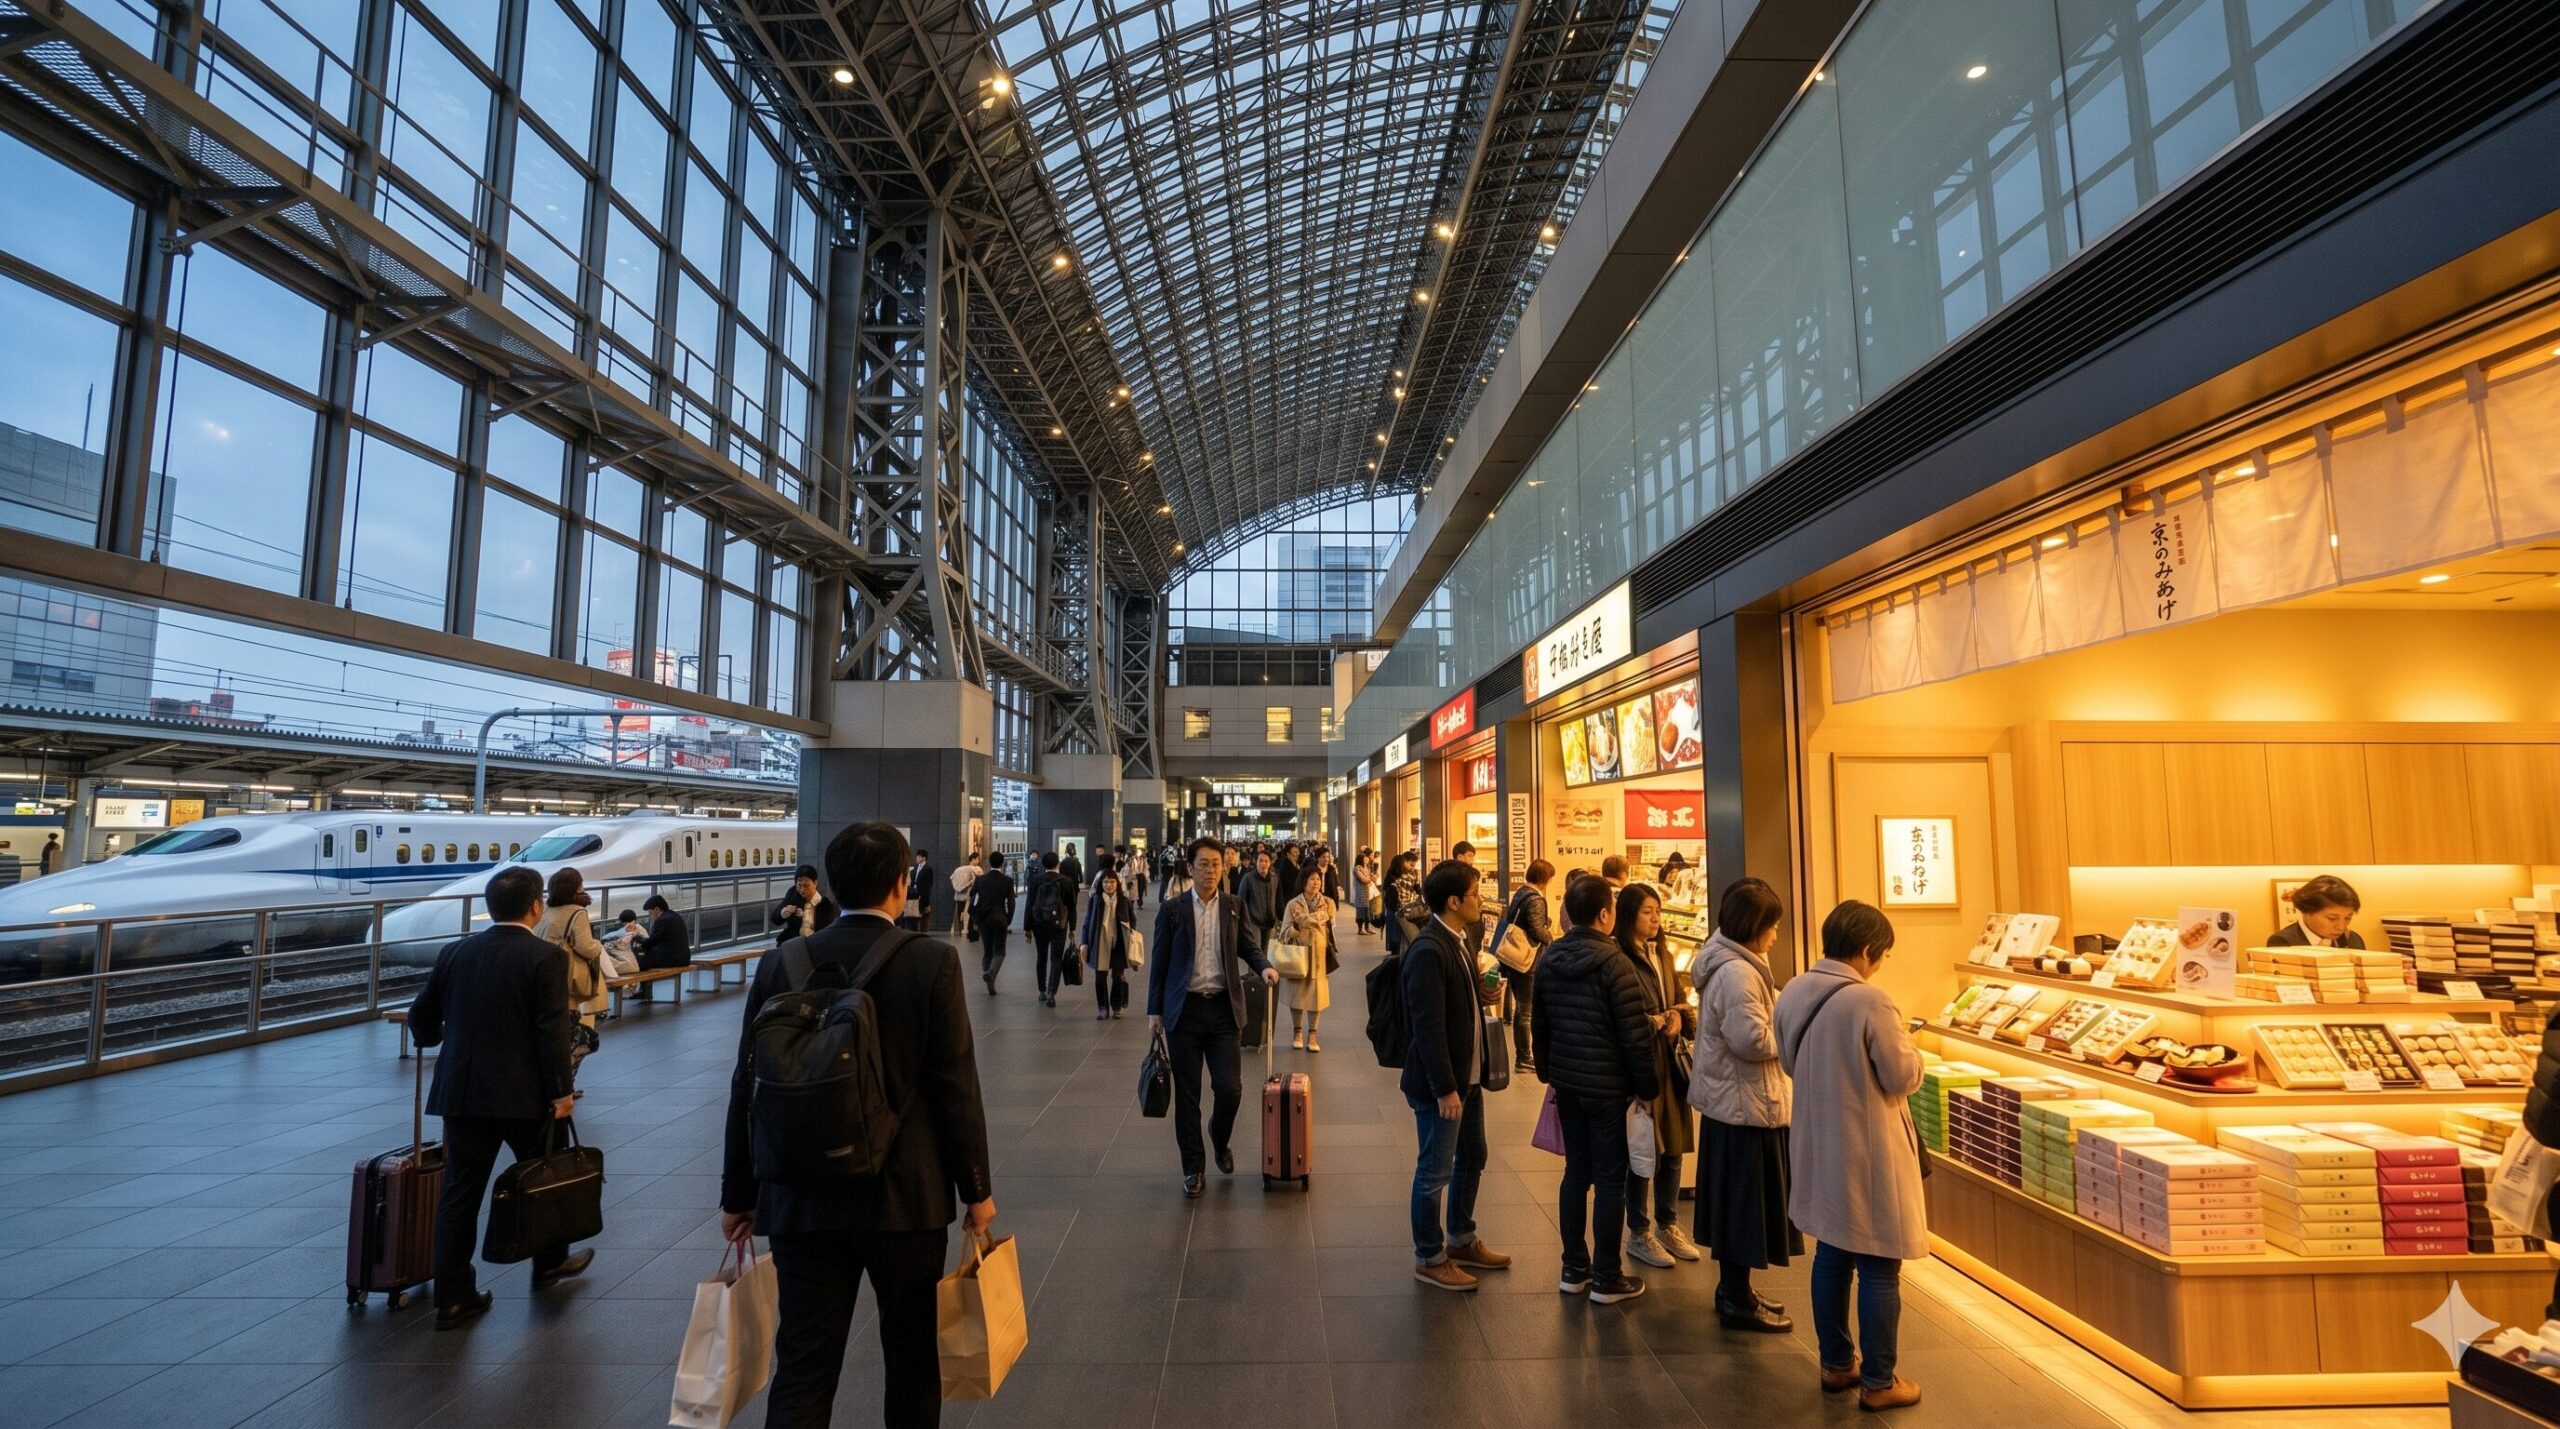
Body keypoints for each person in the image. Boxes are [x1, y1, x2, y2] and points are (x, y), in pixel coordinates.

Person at [719, 821, 995, 1429]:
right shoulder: (931, 962)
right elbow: (956, 1086)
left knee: (804, 1365)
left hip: (800, 1195)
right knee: (912, 1359)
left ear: (833, 884)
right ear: (901, 884)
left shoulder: (781, 964)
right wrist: (976, 1190)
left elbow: (747, 1087)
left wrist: (739, 1195)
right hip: (905, 1200)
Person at [407, 865, 587, 1329]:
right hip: (526, 1096)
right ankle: (548, 1264)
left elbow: (420, 1015)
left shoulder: (455, 952)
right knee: (545, 1176)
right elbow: (551, 1031)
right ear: (535, 907)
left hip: (463, 1093)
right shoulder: (546, 957)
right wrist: (561, 1091)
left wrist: (436, 1036)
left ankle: (452, 1297)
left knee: (459, 1195)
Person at [1777, 900, 1926, 1412]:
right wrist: (1915, 1051)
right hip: (1869, 1150)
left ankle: (1837, 1363)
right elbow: (1900, 1075)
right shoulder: (1871, 1002)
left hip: (1817, 1139)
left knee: (1832, 1252)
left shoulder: (1794, 989)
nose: (1879, 964)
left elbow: (1789, 1060)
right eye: (1881, 954)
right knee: (1880, 1263)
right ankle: (1880, 1381)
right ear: (1866, 950)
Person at [1532, 873, 1657, 1305]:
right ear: (1605, 914)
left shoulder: (1551, 958)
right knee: (1609, 1181)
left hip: (1567, 1084)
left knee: (1575, 1174)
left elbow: (1540, 1025)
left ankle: (1573, 1268)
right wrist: (1647, 1088)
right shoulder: (1616, 963)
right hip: (1607, 1089)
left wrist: (1548, 1072)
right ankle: (1606, 1276)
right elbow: (1634, 1037)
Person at [1689, 877, 1798, 1333]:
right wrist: (1790, 1032)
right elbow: (1750, 1040)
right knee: (1742, 1208)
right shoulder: (1738, 973)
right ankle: (1736, 1299)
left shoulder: (1736, 962)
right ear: (1753, 926)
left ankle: (1736, 1292)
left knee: (1738, 1206)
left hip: (1738, 1103)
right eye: (1771, 925)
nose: (1776, 933)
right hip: (1744, 1105)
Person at [1401, 858, 1511, 1291]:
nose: (1480, 901)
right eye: (1474, 895)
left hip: (1468, 1078)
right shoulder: (1429, 949)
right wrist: (1446, 1089)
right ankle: (1429, 1256)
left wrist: (1481, 993)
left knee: (1473, 1155)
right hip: (1443, 1086)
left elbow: (1453, 1003)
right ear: (1453, 901)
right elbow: (1426, 1027)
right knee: (1434, 1170)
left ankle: (1461, 1238)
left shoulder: (1459, 939)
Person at [1147, 837, 1278, 1198]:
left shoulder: (1234, 906)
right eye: (1203, 864)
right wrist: (1154, 1011)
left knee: (1230, 1088)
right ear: (1190, 868)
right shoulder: (1172, 910)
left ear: (1225, 868)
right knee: (1188, 1096)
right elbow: (1159, 963)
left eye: (1216, 864)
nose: (1210, 871)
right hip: (1184, 1012)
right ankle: (1193, 1168)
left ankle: (1219, 1138)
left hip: (1223, 1010)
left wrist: (1264, 967)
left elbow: (1248, 946)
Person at [1617, 881, 1699, 1272]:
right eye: (1647, 911)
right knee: (1642, 1147)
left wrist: (1680, 1015)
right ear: (1627, 914)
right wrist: (1659, 1020)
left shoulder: (1663, 954)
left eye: (1658, 911)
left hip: (1671, 1063)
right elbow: (1625, 1016)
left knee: (1673, 1144)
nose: (1655, 919)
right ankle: (1639, 1231)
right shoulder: (1620, 957)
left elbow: (1679, 1001)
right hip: (1641, 1063)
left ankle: (1668, 1224)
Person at [1491, 860, 1555, 1074]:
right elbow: (1536, 929)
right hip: (1526, 960)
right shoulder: (1536, 899)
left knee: (1521, 1008)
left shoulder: (1521, 893)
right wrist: (1552, 939)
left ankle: (1523, 1056)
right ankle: (1524, 1057)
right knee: (1525, 1011)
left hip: (1512, 957)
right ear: (1545, 878)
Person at [534, 867, 609, 1043]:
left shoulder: (546, 911)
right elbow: (586, 947)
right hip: (568, 973)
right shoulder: (578, 912)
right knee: (574, 1020)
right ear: (576, 888)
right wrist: (599, 946)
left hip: (544, 968)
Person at [1274, 865, 1337, 1051]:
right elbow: (1283, 934)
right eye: (1312, 879)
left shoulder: (1328, 904)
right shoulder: (1293, 905)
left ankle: (1313, 1035)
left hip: (1318, 957)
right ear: (1303, 882)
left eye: (1318, 879)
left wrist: (1313, 920)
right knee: (1297, 994)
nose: (1316, 882)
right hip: (1298, 955)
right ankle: (1297, 1032)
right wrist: (1299, 927)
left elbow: (1331, 927)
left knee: (1316, 996)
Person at [1081, 866, 1139, 1020]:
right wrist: (1084, 942)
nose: (1109, 885)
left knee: (1117, 976)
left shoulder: (1124, 901)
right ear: (1101, 884)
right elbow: (1087, 922)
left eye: (1112, 882)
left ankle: (1116, 1006)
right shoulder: (1096, 900)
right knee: (1100, 976)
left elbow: (1132, 919)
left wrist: (1131, 934)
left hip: (1119, 942)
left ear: (1117, 883)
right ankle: (1102, 1007)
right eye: (1105, 882)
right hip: (1100, 942)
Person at [1026, 852, 1073, 1008]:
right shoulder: (1066, 881)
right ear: (1058, 864)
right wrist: (1072, 928)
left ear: (1043, 864)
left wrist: (1027, 927)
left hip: (1039, 924)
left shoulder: (1036, 880)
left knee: (1041, 957)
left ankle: (1042, 990)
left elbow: (1029, 904)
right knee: (1056, 959)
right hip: (1059, 924)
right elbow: (1071, 907)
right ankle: (1052, 993)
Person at [2270, 874, 2365, 948]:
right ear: (2307, 911)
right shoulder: (2283, 941)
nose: (2341, 927)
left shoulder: (2353, 939)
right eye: (2332, 918)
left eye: (2348, 918)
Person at [969, 851, 1016, 993]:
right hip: (1000, 918)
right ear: (1002, 864)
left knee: (987, 951)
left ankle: (987, 975)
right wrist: (1008, 919)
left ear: (989, 863)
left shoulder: (980, 879)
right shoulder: (1007, 880)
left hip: (983, 919)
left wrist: (975, 918)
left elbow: (972, 896)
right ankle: (991, 974)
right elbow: (1011, 903)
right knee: (999, 951)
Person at [631, 894, 691, 1001]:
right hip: (683, 957)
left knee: (641, 958)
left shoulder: (661, 920)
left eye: (650, 913)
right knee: (646, 955)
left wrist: (638, 939)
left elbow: (652, 941)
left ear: (657, 909)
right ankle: (644, 991)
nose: (651, 916)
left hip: (672, 958)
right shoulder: (674, 915)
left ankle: (644, 991)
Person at [774, 864, 838, 941]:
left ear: (815, 883)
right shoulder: (793, 894)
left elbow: (825, 932)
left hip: (815, 942)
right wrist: (782, 913)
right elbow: (775, 919)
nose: (802, 890)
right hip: (793, 941)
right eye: (799, 885)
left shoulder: (824, 904)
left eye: (806, 885)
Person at [1385, 851, 1424, 955]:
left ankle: (1399, 951)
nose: (1412, 867)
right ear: (1404, 862)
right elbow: (1387, 889)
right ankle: (1395, 951)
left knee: (1400, 931)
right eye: (1411, 865)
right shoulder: (1395, 874)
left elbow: (1417, 888)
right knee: (1394, 929)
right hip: (1395, 906)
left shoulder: (1414, 874)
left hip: (1406, 906)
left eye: (1414, 865)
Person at [948, 851, 981, 939]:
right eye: (978, 859)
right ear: (973, 859)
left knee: (959, 912)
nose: (979, 861)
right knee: (967, 913)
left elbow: (952, 878)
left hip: (958, 895)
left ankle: (957, 929)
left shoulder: (958, 869)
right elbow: (980, 881)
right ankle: (966, 929)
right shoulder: (977, 869)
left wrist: (959, 888)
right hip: (969, 894)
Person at [902, 848, 936, 931]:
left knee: (919, 915)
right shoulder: (914, 868)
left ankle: (919, 931)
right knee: (911, 915)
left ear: (924, 858)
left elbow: (928, 884)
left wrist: (925, 897)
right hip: (912, 893)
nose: (917, 858)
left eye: (919, 857)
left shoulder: (928, 869)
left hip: (921, 894)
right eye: (917, 856)